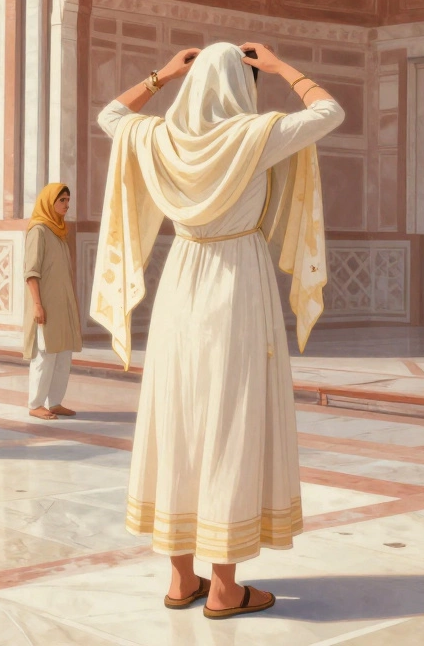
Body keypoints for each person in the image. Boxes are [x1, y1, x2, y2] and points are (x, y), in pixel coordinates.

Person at [92, 42, 343, 619]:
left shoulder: (159, 137)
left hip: (182, 279)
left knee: (179, 414)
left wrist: (160, 75)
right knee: (230, 415)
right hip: (236, 279)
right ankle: (226, 587)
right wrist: (281, 67)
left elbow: (111, 115)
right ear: (241, 86)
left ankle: (182, 579)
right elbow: (330, 113)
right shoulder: (255, 135)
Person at [22, 182, 81, 420]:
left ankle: (55, 402)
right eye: (62, 201)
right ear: (49, 203)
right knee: (45, 354)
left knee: (63, 352)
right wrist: (37, 304)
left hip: (63, 305)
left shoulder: (60, 232)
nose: (67, 205)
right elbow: (31, 272)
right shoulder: (39, 231)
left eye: (68, 200)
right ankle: (35, 403)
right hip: (45, 304)